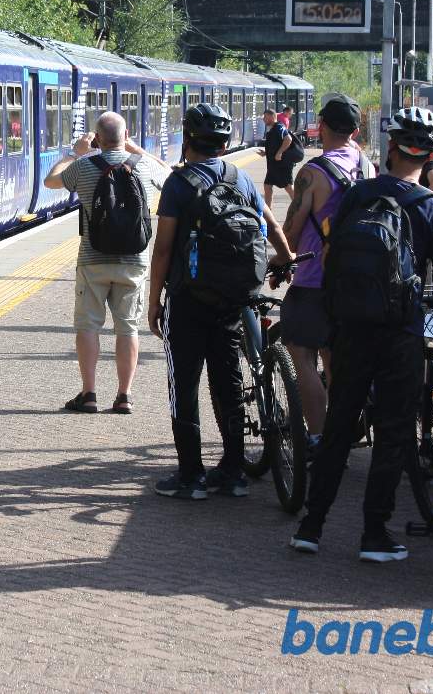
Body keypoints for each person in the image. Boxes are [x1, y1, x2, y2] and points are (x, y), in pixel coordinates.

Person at [290, 106, 433, 563]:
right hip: (401, 334)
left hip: (351, 331)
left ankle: (310, 528)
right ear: (430, 156)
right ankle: (374, 534)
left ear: (389, 148)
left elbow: (328, 259)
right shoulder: (432, 208)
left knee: (339, 425)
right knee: (393, 432)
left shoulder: (357, 195)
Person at [147, 104, 293, 499]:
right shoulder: (241, 178)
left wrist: (154, 301)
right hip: (233, 299)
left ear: (188, 139)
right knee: (227, 383)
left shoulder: (179, 185)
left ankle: (190, 477)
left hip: (188, 298)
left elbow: (162, 250)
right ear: (225, 143)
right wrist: (286, 260)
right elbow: (274, 226)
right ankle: (232, 471)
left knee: (185, 385)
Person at [44, 111, 156, 415]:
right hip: (134, 260)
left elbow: (50, 181)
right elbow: (171, 176)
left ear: (96, 138)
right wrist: (136, 150)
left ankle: (89, 393)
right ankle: (124, 396)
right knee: (128, 327)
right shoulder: (142, 166)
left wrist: (74, 153)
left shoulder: (84, 166)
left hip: (93, 258)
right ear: (126, 134)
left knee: (88, 326)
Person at [279, 94, 367, 444]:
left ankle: (318, 438)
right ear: (356, 131)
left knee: (301, 354)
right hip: (359, 279)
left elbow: (292, 231)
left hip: (316, 279)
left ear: (322, 127)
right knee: (338, 359)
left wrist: (280, 256)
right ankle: (343, 434)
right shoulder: (367, 164)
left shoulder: (312, 173)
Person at [259, 108, 296, 209]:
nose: (263, 120)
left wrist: (279, 153)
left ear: (271, 117)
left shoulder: (279, 127)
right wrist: (266, 153)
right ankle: (268, 210)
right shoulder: (273, 129)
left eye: (265, 117)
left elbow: (288, 139)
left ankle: (300, 206)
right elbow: (275, 145)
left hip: (282, 165)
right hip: (274, 165)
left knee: (288, 187)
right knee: (267, 186)